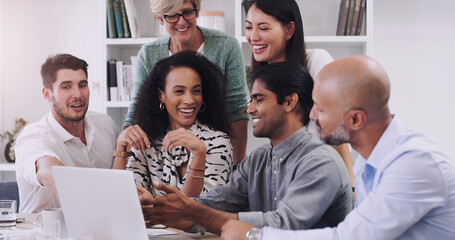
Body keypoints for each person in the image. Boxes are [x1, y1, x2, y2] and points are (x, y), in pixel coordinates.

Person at [221, 56, 455, 240]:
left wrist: (255, 235)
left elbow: (347, 237)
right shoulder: (367, 160)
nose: (311, 115)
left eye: (320, 109)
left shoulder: (414, 164)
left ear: (355, 120)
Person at [137, 62, 353, 234]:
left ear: (289, 102)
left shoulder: (321, 162)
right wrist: (158, 206)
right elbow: (218, 202)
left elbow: (284, 225)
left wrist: (189, 210)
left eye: (258, 100)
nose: (249, 109)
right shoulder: (258, 159)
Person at [244, 0, 355, 188]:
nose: (253, 36)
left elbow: (338, 128)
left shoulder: (316, 61)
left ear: (289, 30)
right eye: (248, 27)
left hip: (325, 175)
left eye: (263, 28)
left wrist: (351, 184)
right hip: (287, 179)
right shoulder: (259, 78)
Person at [124, 0, 248, 165]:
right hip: (164, 155)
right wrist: (125, 139)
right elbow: (136, 113)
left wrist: (237, 168)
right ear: (160, 18)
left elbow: (237, 111)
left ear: (197, 11)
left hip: (215, 154)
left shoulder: (226, 46)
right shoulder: (148, 54)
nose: (181, 21)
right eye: (172, 15)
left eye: (188, 12)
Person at [113, 51, 233, 197]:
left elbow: (199, 208)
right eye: (179, 91)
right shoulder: (148, 141)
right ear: (161, 95)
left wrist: (199, 153)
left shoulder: (218, 142)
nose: (189, 100)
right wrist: (121, 147)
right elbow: (122, 197)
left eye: (196, 91)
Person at [15, 54, 118, 213]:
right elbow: (46, 170)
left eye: (82, 85)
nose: (77, 94)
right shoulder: (33, 136)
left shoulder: (106, 125)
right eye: (66, 87)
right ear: (47, 94)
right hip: (45, 234)